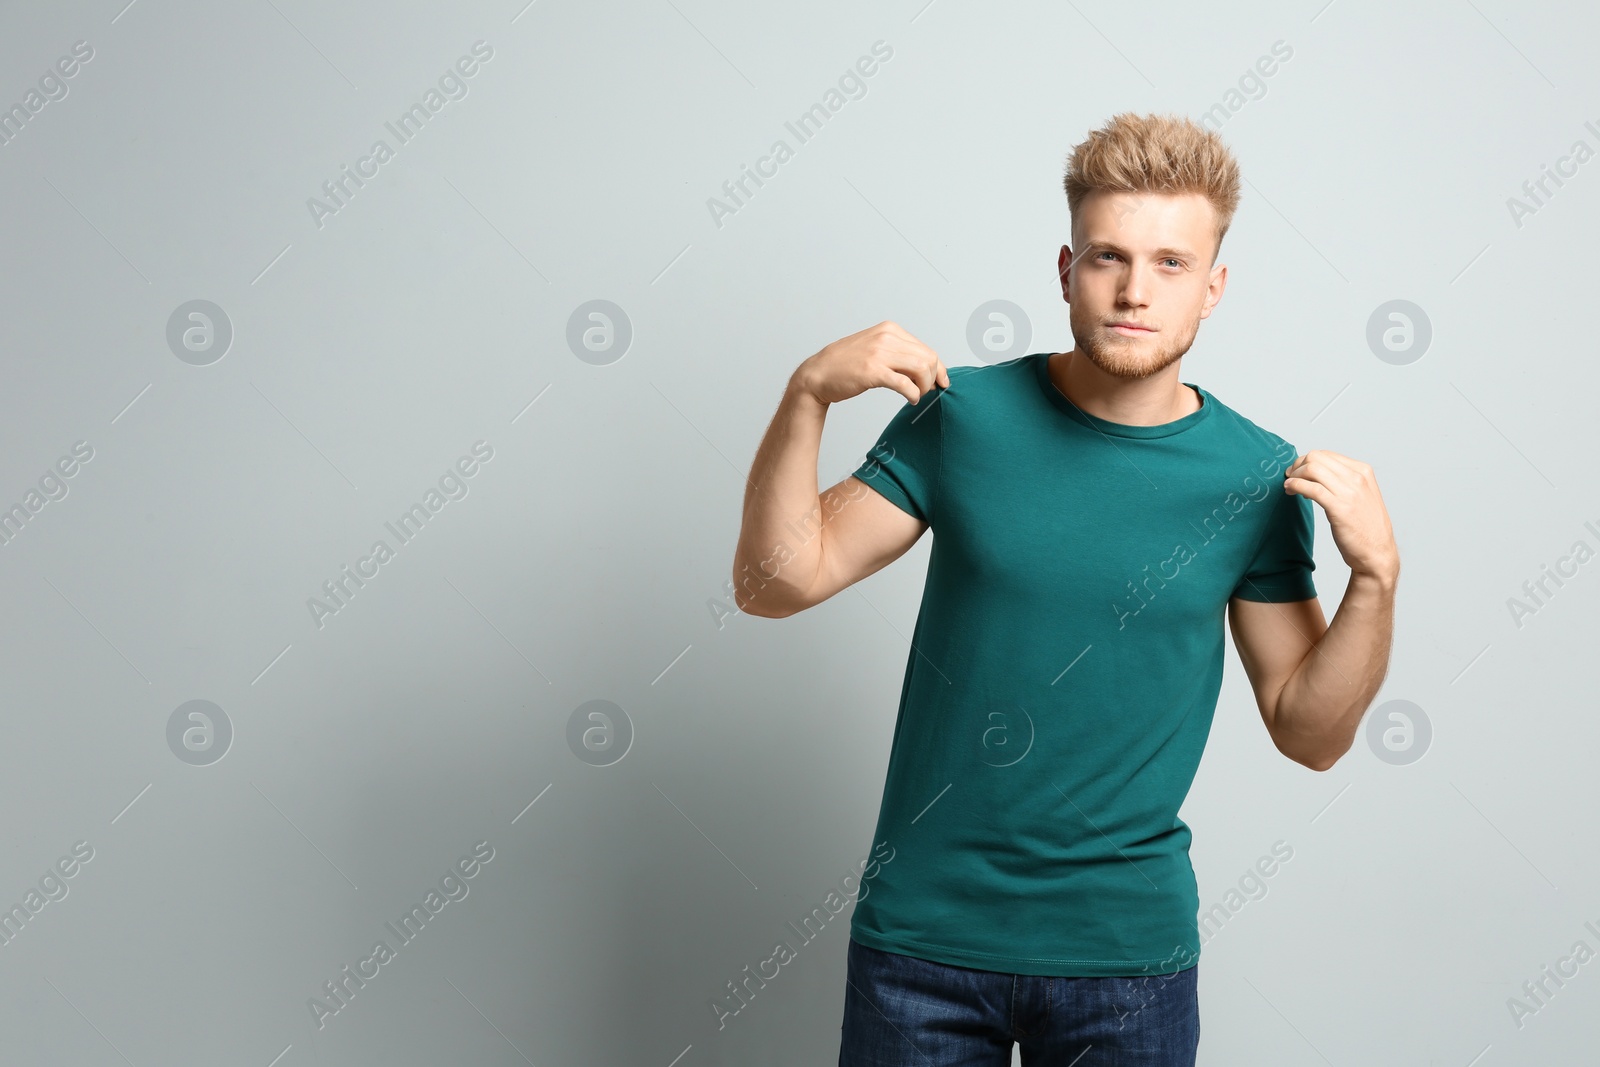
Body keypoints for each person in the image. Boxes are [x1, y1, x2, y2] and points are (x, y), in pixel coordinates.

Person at [729, 112, 1399, 1066]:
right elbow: (772, 583)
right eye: (1107, 257)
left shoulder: (1255, 480)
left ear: (1213, 287)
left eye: (1171, 264)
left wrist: (1376, 578)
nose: (1134, 291)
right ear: (1065, 268)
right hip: (921, 945)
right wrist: (806, 395)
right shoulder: (964, 417)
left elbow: (1310, 731)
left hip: (1125, 963)